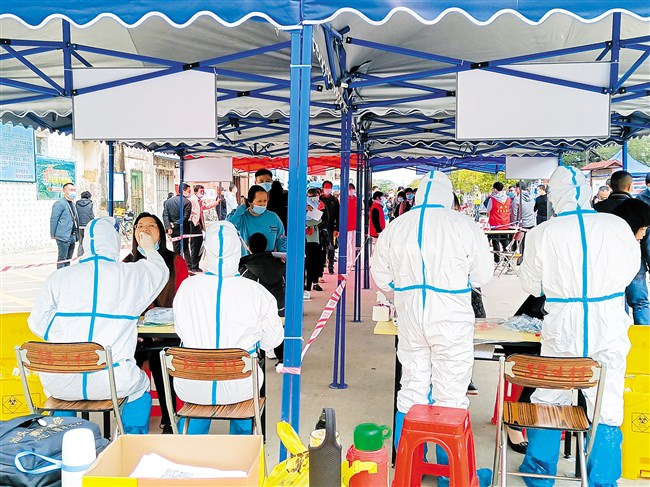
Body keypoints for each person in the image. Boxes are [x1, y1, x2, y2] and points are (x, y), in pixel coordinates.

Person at [518, 166, 639, 486]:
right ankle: (601, 478)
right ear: (586, 192)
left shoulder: (543, 233)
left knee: (550, 396)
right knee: (608, 402)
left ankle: (540, 474)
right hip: (608, 321)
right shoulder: (616, 226)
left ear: (554, 198)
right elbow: (631, 269)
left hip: (564, 325)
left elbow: (531, 285)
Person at [370, 171, 493, 467]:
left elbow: (380, 275)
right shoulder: (463, 225)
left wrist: (402, 292)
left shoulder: (398, 226)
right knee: (451, 393)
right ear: (447, 196)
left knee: (411, 387)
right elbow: (482, 274)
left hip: (411, 317)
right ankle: (448, 472)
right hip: (452, 318)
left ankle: (409, 467)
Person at [28, 217, 169, 433]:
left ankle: (64, 438)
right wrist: (149, 248)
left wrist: (67, 330)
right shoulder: (129, 275)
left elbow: (37, 322)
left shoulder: (60, 277)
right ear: (114, 242)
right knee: (138, 388)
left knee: (62, 396)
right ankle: (129, 439)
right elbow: (159, 271)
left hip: (63, 380)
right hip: (112, 380)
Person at [172, 221, 284, 434]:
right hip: (241, 386)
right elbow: (272, 341)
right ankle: (242, 445)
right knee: (245, 400)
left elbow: (180, 330)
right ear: (239, 249)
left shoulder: (187, 288)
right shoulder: (256, 292)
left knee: (196, 404)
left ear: (206, 249)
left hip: (192, 385)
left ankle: (189, 444)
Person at [123, 213, 189, 434]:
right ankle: (132, 423)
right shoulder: (127, 264)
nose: (145, 230)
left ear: (160, 232)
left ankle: (169, 420)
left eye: (151, 226)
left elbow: (182, 299)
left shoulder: (175, 262)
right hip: (133, 335)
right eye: (140, 226)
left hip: (167, 334)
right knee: (127, 362)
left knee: (160, 360)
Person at [594, 170, 649, 325]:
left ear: (610, 186)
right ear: (630, 186)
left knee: (613, 301)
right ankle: (644, 337)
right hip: (635, 261)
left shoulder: (597, 209)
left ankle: (618, 333)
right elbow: (647, 240)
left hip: (604, 262)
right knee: (640, 303)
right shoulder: (640, 207)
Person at [228, 185, 287, 254]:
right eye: (259, 201)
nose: (263, 204)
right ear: (250, 202)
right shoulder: (242, 217)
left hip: (269, 259)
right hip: (247, 259)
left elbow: (281, 239)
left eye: (265, 201)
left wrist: (283, 252)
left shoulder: (273, 217)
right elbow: (229, 223)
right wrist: (243, 206)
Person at [239, 232, 286, 318]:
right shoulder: (279, 265)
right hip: (280, 312)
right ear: (266, 247)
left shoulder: (243, 268)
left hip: (256, 314)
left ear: (249, 248)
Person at [187, 184, 219, 273]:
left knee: (200, 245)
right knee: (195, 246)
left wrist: (216, 202)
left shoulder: (199, 201)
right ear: (196, 191)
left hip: (199, 225)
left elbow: (205, 207)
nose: (203, 193)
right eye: (201, 191)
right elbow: (187, 211)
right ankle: (193, 265)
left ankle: (195, 264)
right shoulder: (192, 200)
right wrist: (191, 218)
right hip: (194, 224)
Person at [50, 182, 79, 268]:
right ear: (64, 191)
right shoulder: (60, 203)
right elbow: (54, 219)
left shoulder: (72, 203)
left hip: (72, 235)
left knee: (68, 259)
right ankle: (60, 274)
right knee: (62, 259)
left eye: (74, 190)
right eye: (71, 190)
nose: (73, 192)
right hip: (63, 236)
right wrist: (53, 234)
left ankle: (66, 274)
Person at [304, 188, 326, 299]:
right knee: (304, 265)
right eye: (310, 197)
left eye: (315, 197)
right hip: (303, 239)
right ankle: (304, 287)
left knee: (312, 264)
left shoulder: (321, 206)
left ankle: (309, 287)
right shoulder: (301, 206)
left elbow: (324, 219)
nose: (313, 199)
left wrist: (313, 223)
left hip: (315, 239)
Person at [163, 183, 192, 264]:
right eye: (188, 191)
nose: (189, 193)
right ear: (183, 190)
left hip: (173, 230)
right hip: (183, 228)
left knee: (176, 248)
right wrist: (174, 224)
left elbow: (165, 215)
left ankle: (177, 265)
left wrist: (169, 227)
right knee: (185, 248)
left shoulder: (168, 202)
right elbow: (185, 217)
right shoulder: (187, 202)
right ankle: (188, 265)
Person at [320, 180, 340, 275]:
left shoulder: (335, 200)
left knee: (331, 247)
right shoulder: (319, 199)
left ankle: (331, 266)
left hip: (331, 227)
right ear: (323, 188)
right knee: (321, 247)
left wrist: (337, 229)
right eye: (326, 188)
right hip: (320, 227)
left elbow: (338, 215)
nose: (327, 189)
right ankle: (321, 266)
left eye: (329, 188)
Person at [75, 191, 94, 257]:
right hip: (87, 225)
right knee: (87, 241)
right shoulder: (90, 204)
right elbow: (91, 215)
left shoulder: (77, 204)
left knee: (80, 242)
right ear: (89, 197)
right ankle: (87, 256)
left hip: (79, 225)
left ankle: (80, 256)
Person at [347, 183, 358, 268]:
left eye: (352, 188)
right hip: (347, 226)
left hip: (355, 225)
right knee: (348, 245)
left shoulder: (356, 199)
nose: (351, 190)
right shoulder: (344, 199)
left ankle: (354, 261)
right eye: (349, 189)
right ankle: (348, 261)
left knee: (354, 245)